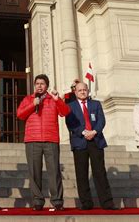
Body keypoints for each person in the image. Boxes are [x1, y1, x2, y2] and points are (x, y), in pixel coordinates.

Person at [17, 74, 70, 211]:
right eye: (37, 84)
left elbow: (65, 112)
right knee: (34, 172)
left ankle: (57, 201)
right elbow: (20, 114)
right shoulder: (28, 99)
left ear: (47, 86)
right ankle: (38, 201)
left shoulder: (53, 100)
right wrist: (32, 105)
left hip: (51, 139)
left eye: (42, 84)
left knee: (54, 171)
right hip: (32, 140)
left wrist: (58, 100)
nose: (39, 86)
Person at [65, 82, 118, 210]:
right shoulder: (70, 106)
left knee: (100, 172)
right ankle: (86, 203)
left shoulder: (96, 104)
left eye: (84, 89)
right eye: (79, 90)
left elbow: (101, 120)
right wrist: (84, 132)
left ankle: (107, 203)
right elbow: (70, 123)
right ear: (75, 92)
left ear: (88, 91)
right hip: (80, 142)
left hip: (96, 140)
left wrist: (94, 132)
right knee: (81, 174)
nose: (82, 92)